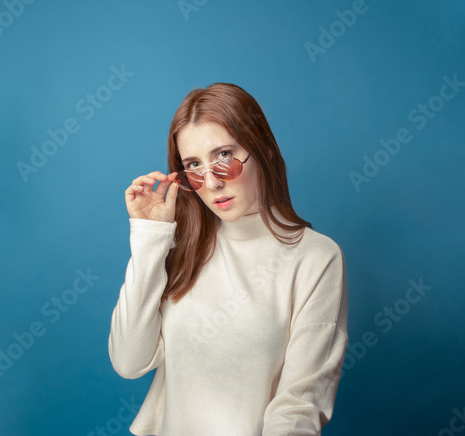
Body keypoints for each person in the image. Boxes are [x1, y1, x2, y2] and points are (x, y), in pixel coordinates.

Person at [108, 83, 348, 436]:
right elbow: (129, 362)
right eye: (193, 165)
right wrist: (149, 238)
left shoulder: (316, 258)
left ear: (262, 149)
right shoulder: (183, 249)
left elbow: (299, 403)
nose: (211, 182)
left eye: (223, 157)